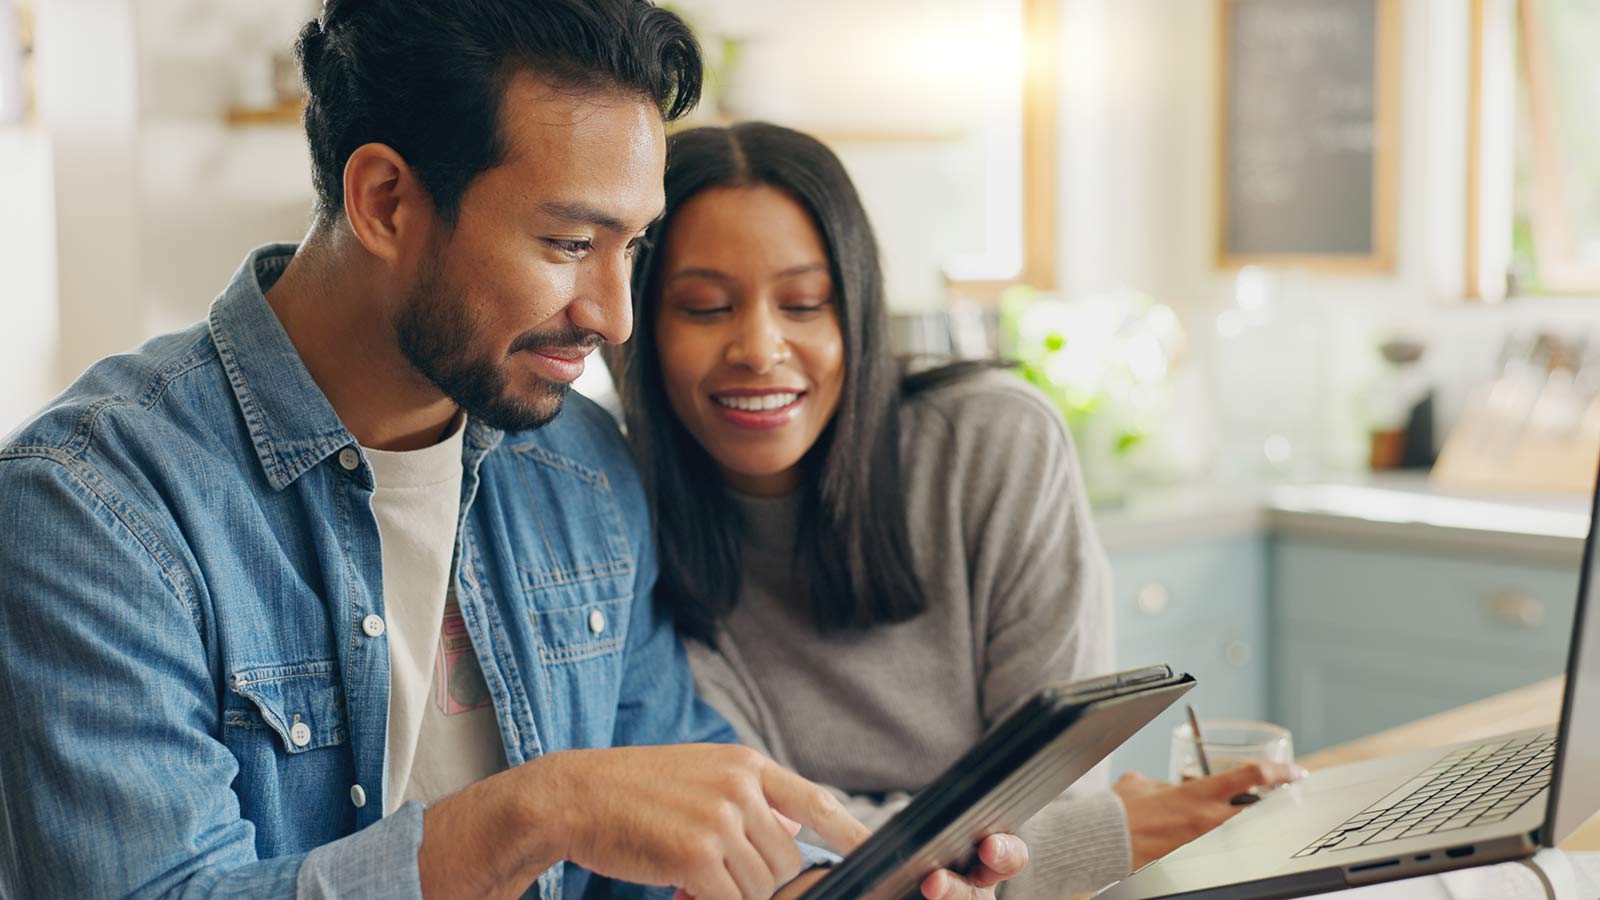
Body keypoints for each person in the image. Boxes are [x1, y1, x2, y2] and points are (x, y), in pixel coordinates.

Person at [0, 7, 1027, 900]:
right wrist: (535, 813)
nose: (617, 318)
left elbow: (665, 801)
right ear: (387, 202)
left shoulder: (578, 468)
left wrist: (830, 878)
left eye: (633, 248)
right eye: (569, 246)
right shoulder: (95, 508)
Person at [614, 122, 1304, 898]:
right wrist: (1102, 835)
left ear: (859, 315)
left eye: (805, 303)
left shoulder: (994, 444)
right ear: (640, 322)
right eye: (705, 307)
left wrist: (895, 860)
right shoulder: (616, 506)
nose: (760, 347)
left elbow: (1056, 779)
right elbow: (759, 851)